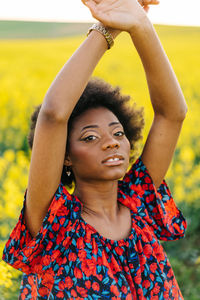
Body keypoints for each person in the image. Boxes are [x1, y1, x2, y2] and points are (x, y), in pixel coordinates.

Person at [2, 0, 188, 299]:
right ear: (65, 156)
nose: (112, 142)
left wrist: (140, 24)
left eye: (118, 133)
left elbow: (172, 114)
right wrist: (107, 29)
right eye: (90, 137)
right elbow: (53, 115)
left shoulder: (138, 201)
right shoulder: (56, 224)